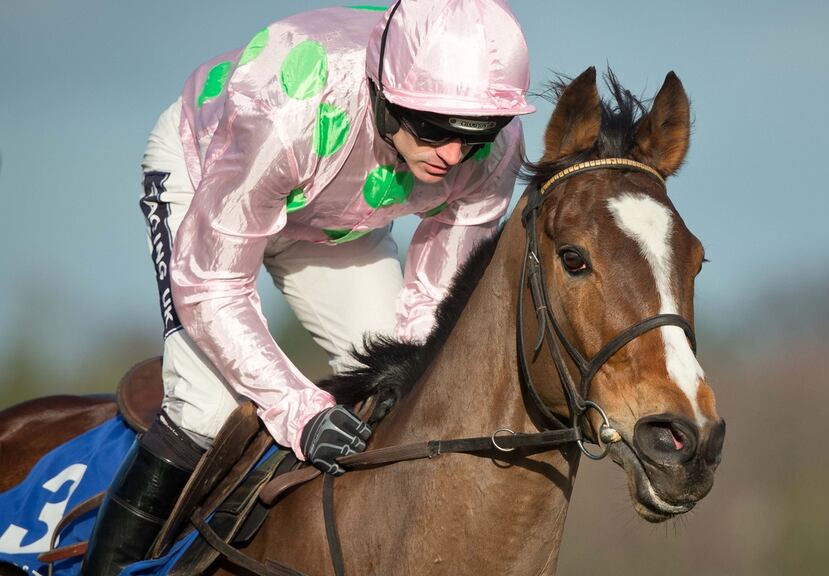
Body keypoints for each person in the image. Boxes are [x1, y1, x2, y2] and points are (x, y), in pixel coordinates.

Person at [81, 1, 533, 573]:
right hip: (215, 176)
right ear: (385, 92)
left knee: (402, 388)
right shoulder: (286, 107)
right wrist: (300, 411)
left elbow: (434, 307)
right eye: (436, 127)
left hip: (335, 218)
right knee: (207, 404)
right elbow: (214, 285)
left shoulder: (495, 150)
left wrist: (412, 374)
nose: (454, 153)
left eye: (478, 133)